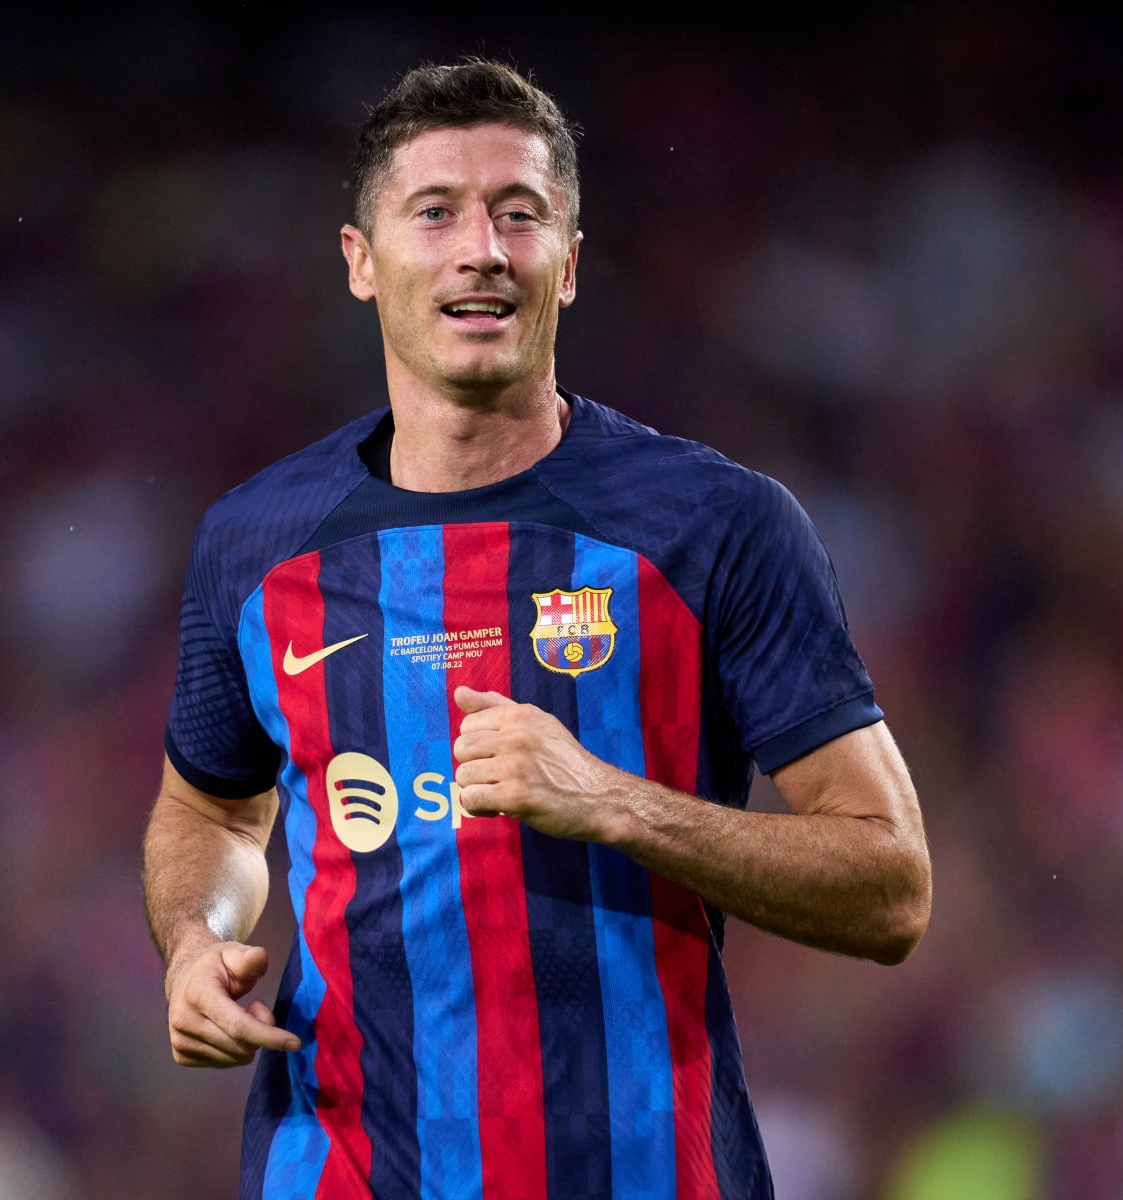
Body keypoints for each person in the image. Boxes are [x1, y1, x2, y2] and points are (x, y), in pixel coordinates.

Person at [142, 57, 931, 1199]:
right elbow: (210, 807)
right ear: (361, 263)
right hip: (340, 1165)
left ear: (569, 261)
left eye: (521, 215)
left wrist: (611, 800)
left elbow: (891, 883)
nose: (482, 249)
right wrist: (193, 942)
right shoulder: (255, 544)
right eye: (435, 213)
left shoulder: (716, 526)